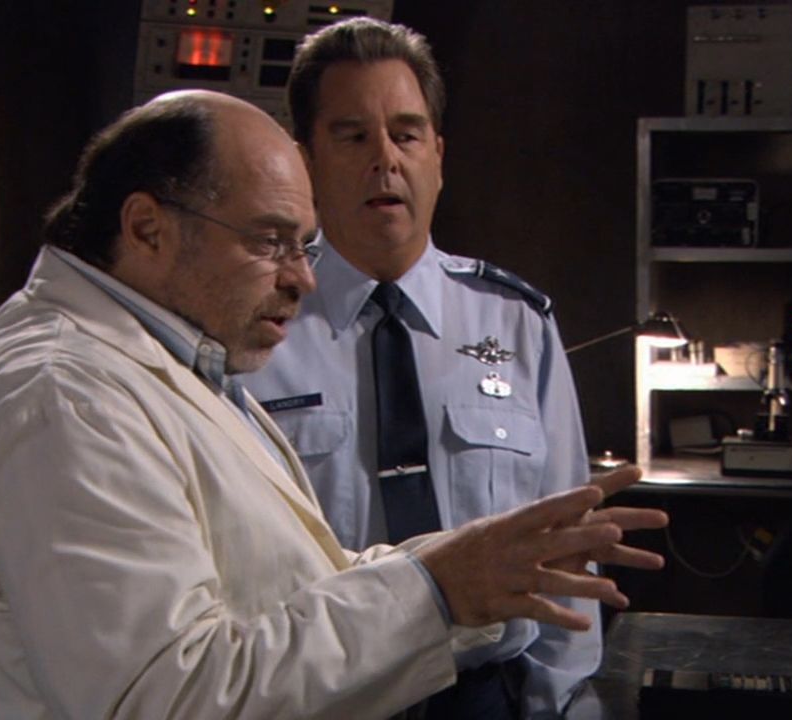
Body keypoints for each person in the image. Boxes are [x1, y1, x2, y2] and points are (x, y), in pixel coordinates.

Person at [0, 89, 667, 719]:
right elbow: (163, 699)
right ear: (147, 228)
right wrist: (436, 590)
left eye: (302, 246)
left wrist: (468, 566)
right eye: (270, 241)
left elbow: (297, 586)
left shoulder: (168, 362)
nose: (303, 279)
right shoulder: (65, 397)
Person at [245, 18, 599, 718]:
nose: (385, 159)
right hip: (321, 697)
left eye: (406, 135)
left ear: (437, 154)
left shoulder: (516, 323)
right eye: (353, 136)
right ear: (304, 161)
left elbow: (566, 548)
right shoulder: (254, 329)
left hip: (485, 696)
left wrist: (556, 705)